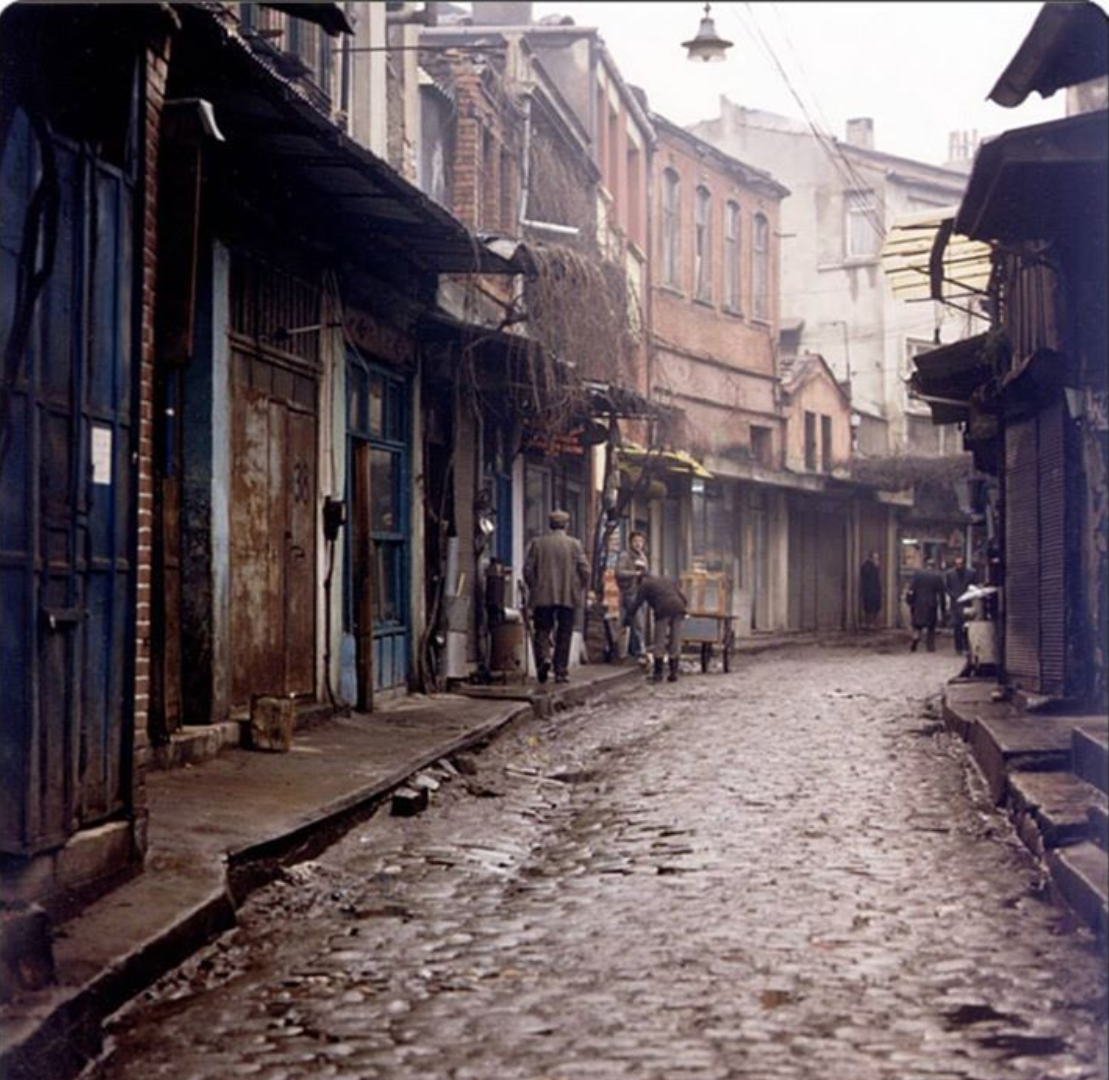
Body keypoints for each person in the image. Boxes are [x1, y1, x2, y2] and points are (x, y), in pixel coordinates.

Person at [524, 509, 591, 685]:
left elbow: (528, 570)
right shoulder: (574, 544)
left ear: (550, 525)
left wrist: (535, 587)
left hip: (542, 595)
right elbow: (585, 570)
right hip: (567, 596)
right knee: (564, 632)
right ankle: (561, 670)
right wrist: (578, 588)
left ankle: (544, 658)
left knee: (542, 629)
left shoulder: (538, 543)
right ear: (566, 525)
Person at [630, 573, 688, 683]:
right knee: (675, 641)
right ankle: (673, 673)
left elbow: (638, 602)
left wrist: (629, 616)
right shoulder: (666, 580)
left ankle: (658, 674)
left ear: (641, 580)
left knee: (659, 641)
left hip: (663, 610)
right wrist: (683, 608)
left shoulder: (645, 585)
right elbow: (683, 597)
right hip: (678, 608)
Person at [615, 530, 649, 659]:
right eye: (635, 541)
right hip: (629, 592)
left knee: (638, 621)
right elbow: (619, 572)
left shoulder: (642, 556)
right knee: (635, 622)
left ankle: (633, 649)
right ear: (630, 542)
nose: (638, 544)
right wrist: (635, 574)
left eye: (640, 541)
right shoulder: (625, 556)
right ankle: (637, 650)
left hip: (641, 592)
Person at [906, 558, 946, 653]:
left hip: (918, 603)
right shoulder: (937, 576)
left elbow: (911, 588)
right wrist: (943, 608)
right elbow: (942, 593)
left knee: (917, 625)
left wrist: (910, 601)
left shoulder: (918, 574)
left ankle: (916, 638)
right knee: (931, 626)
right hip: (931, 603)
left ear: (925, 565)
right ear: (934, 566)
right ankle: (930, 646)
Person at [944, 554, 977, 655]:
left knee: (968, 626)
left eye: (961, 563)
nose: (959, 565)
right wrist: (953, 596)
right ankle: (958, 647)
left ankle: (967, 646)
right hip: (956, 603)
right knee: (957, 626)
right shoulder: (950, 574)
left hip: (968, 602)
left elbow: (974, 585)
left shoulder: (971, 573)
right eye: (957, 563)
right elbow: (947, 587)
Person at [859, 550, 882, 630]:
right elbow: (869, 579)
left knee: (875, 607)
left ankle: (873, 623)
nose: (876, 560)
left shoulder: (873, 567)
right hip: (869, 591)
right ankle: (869, 623)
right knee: (869, 608)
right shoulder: (867, 567)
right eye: (875, 558)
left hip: (875, 590)